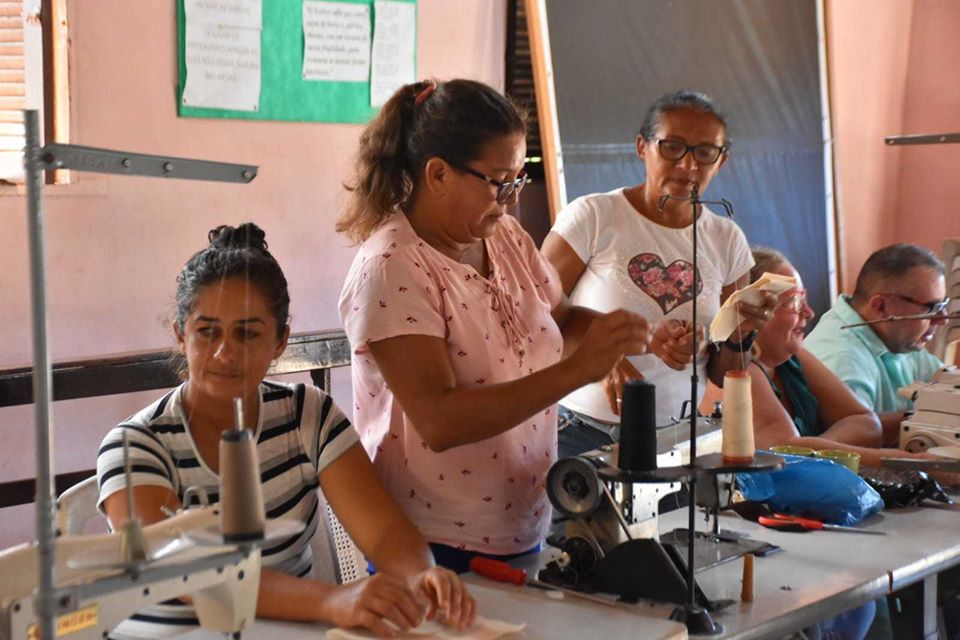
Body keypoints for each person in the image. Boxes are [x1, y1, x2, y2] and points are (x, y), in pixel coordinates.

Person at [97, 224, 473, 639]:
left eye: (248, 333)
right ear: (180, 335)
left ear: (280, 341)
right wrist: (329, 601)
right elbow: (183, 573)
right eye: (206, 332)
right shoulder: (135, 446)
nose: (225, 352)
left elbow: (384, 533)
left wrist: (420, 575)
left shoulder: (306, 415)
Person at [337, 79, 651, 572]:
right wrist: (576, 373)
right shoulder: (392, 267)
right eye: (498, 182)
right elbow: (440, 421)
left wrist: (621, 337)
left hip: (521, 521)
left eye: (517, 180)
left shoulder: (502, 236)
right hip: (432, 543)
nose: (510, 199)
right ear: (438, 174)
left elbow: (561, 318)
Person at [540, 90, 776, 455]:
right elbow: (533, 315)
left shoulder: (727, 240)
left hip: (675, 440)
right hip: (582, 430)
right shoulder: (594, 217)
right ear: (642, 147)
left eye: (705, 152)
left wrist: (740, 335)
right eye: (672, 147)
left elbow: (721, 371)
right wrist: (601, 360)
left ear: (721, 161)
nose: (688, 164)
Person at [805, 243, 948, 446]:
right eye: (931, 307)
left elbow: (944, 383)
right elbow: (854, 445)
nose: (943, 319)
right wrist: (936, 416)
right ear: (880, 306)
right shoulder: (842, 357)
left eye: (943, 305)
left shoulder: (899, 336)